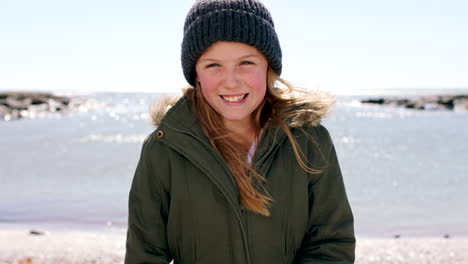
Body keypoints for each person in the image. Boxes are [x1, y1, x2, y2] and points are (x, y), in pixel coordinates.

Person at [125, 0, 355, 263]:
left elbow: (331, 245)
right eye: (213, 65)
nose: (231, 81)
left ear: (268, 66)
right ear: (196, 74)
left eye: (246, 62)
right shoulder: (164, 149)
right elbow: (145, 254)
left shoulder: (309, 141)